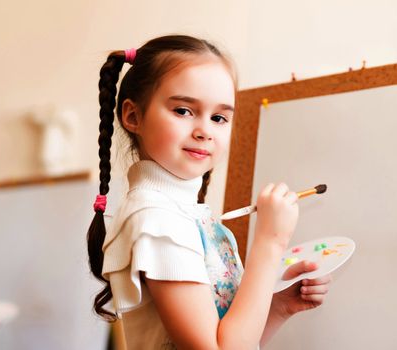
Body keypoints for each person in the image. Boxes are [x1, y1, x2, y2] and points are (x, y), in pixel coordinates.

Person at [86, 35, 332, 349]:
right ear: (133, 116)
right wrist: (270, 242)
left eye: (219, 118)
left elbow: (230, 340)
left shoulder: (180, 213)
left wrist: (279, 306)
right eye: (184, 111)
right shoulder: (158, 221)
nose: (204, 130)